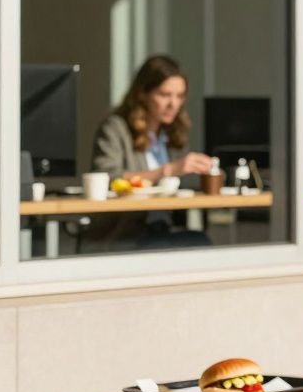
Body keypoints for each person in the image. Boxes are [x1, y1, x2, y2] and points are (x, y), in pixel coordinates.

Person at [90, 55, 214, 248]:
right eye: (165, 95)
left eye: (180, 96)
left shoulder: (173, 133)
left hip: (162, 229)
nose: (173, 104)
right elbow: (107, 178)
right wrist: (167, 171)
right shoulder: (116, 129)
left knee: (200, 242)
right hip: (125, 233)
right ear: (142, 94)